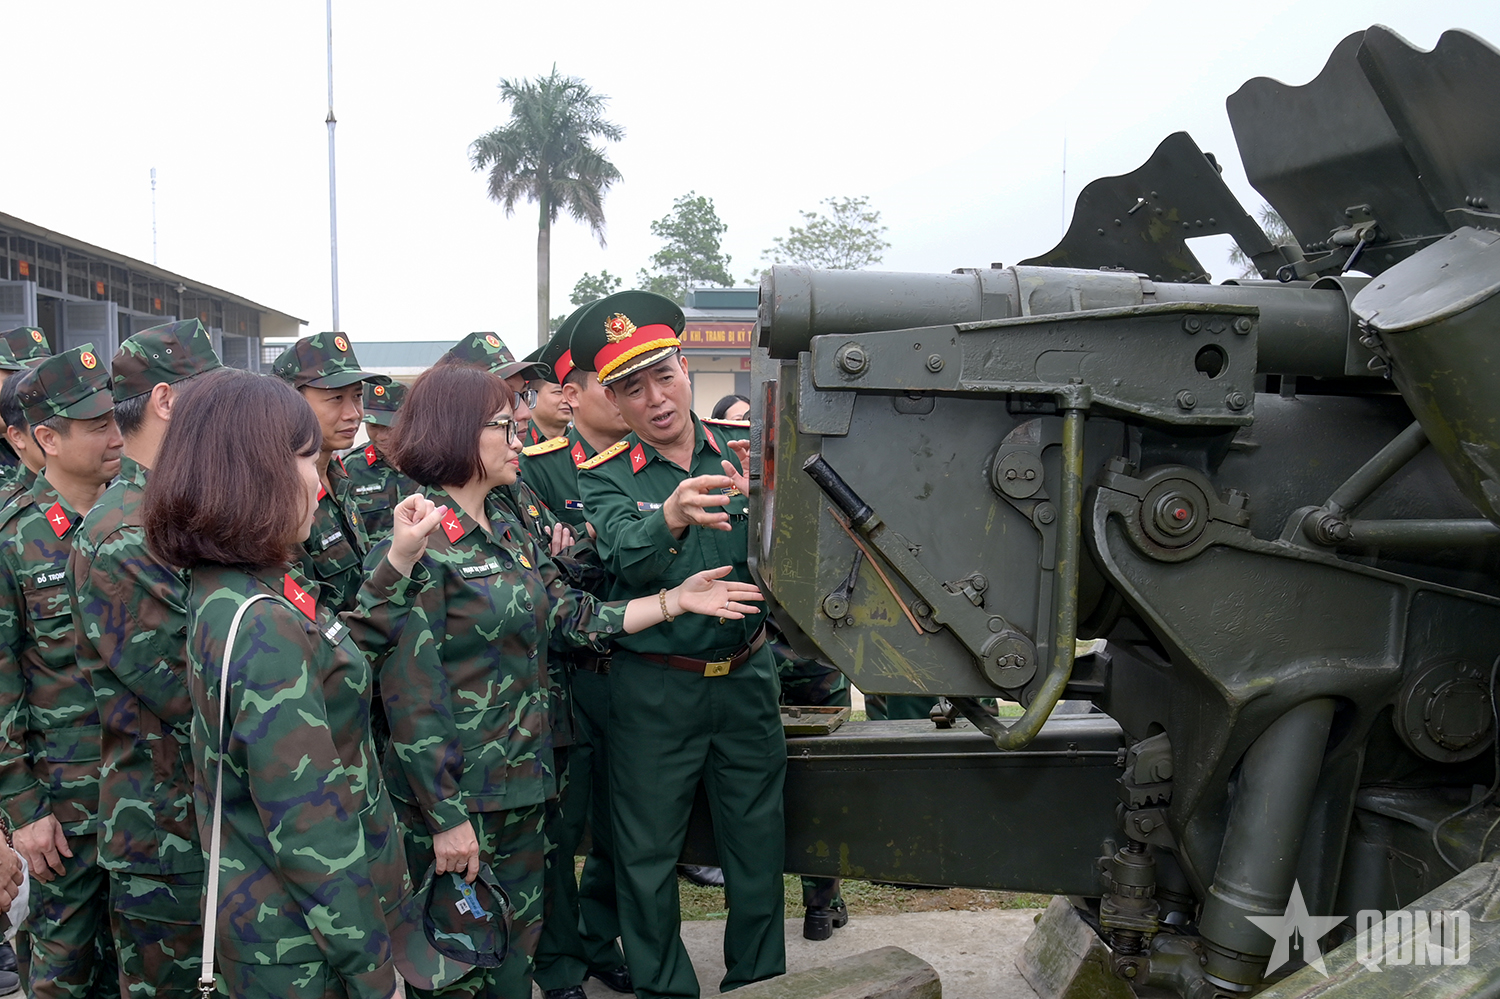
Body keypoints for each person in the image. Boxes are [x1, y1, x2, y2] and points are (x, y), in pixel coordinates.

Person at [376, 362, 762, 999]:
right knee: (454, 971)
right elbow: (410, 697)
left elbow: (570, 616)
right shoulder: (417, 542)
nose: (521, 436)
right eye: (504, 426)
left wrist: (676, 601)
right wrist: (445, 819)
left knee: (513, 961)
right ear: (459, 433)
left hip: (523, 787)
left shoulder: (505, 523)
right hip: (460, 802)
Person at [142, 369, 455, 999]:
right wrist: (375, 975)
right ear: (255, 474)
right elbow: (313, 833)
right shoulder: (261, 623)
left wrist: (396, 562)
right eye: (307, 462)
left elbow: (331, 659)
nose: (319, 481)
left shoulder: (236, 586)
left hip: (292, 929)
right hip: (306, 950)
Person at [574, 292, 787, 999]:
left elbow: (795, 555)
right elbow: (625, 559)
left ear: (686, 370)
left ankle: (758, 981)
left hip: (747, 677)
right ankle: (665, 988)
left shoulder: (746, 452)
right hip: (656, 688)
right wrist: (669, 514)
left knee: (757, 846)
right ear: (614, 401)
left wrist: (774, 497)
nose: (656, 399)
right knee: (645, 855)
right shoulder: (605, 475)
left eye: (664, 377)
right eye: (633, 389)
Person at [68, 320, 223, 997]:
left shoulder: (175, 510)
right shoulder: (126, 534)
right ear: (166, 400)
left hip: (207, 825)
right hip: (169, 842)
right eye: (212, 396)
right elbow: (200, 689)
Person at [0, 344, 123, 997]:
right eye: (96, 425)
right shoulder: (13, 538)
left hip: (146, 800)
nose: (115, 436)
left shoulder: (143, 519)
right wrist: (23, 808)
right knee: (62, 973)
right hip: (63, 810)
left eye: (114, 418)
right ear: (47, 438)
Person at [521, 317, 634, 999]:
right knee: (560, 829)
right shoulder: (535, 469)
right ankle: (561, 960)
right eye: (609, 383)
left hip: (638, 669)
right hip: (567, 676)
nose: (625, 395)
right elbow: (540, 575)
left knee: (626, 823)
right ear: (573, 393)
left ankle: (601, 936)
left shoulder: (648, 458)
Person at [272, 333, 389, 612]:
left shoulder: (337, 475)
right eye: (336, 398)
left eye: (357, 396)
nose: (353, 413)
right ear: (291, 402)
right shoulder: (280, 496)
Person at [346, 380, 417, 546]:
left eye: (390, 427)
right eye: (373, 426)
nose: (381, 436)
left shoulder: (431, 463)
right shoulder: (349, 469)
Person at [522, 343, 573, 442]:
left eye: (571, 392)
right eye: (558, 392)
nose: (567, 399)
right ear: (531, 397)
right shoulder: (516, 442)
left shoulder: (586, 443)